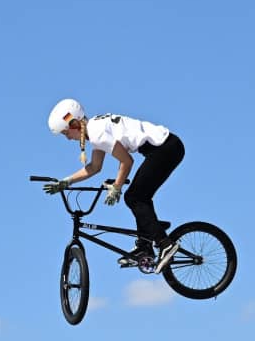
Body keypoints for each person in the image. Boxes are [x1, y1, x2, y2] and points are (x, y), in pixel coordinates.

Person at [43, 98, 184, 274]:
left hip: (166, 149)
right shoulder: (94, 130)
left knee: (134, 197)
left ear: (74, 123)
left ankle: (165, 244)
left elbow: (126, 161)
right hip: (164, 149)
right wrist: (65, 182)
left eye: (65, 133)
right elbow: (94, 167)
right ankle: (145, 245)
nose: (67, 138)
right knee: (139, 196)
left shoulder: (97, 132)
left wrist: (117, 187)